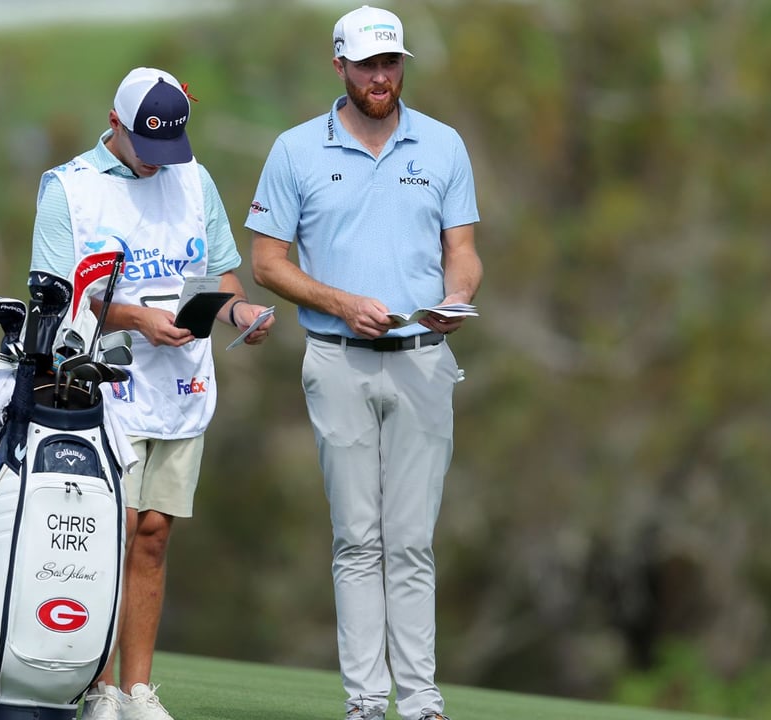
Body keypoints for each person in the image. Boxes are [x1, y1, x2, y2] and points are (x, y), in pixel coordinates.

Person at [245, 6, 482, 720]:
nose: (382, 78)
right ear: (340, 65)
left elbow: (462, 250)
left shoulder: (442, 146)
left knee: (411, 541)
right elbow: (265, 263)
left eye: (392, 63)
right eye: (369, 65)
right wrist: (341, 302)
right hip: (337, 358)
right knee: (356, 539)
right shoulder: (294, 151)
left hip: (422, 358)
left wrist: (457, 295)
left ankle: (420, 701)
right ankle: (365, 703)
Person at [30, 66, 274, 720]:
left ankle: (138, 692)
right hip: (99, 385)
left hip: (179, 384)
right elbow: (56, 304)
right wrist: (136, 317)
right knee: (108, 533)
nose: (158, 164)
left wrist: (239, 314)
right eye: (147, 147)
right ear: (116, 124)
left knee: (155, 532)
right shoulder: (69, 191)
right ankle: (96, 688)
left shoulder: (192, 177)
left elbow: (217, 273)